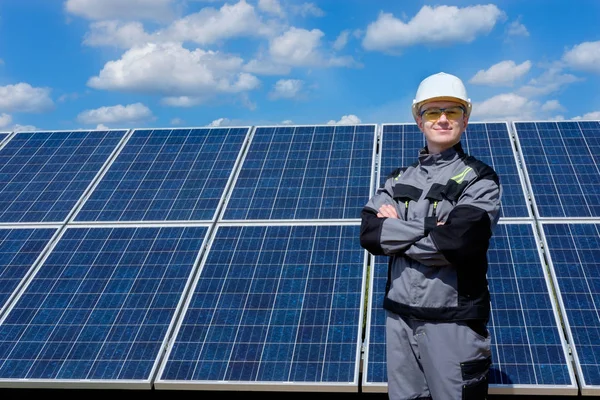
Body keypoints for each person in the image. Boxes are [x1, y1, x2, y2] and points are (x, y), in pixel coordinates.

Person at [360, 72, 501, 400]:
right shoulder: (399, 178)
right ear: (418, 120)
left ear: (464, 120)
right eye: (432, 112)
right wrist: (431, 228)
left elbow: (458, 244)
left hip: (452, 324)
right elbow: (370, 233)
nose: (441, 119)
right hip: (399, 319)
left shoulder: (480, 179)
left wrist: (397, 229)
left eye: (451, 112)